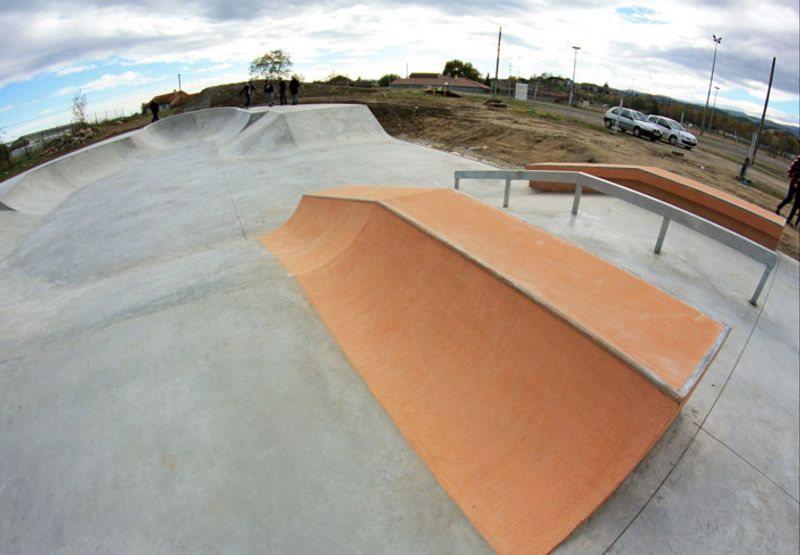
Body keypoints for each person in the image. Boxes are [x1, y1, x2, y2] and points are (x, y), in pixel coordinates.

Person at [776, 154, 800, 226]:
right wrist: (792, 177)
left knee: (797, 202)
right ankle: (778, 207)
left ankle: (789, 219)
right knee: (789, 197)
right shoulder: (799, 159)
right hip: (794, 182)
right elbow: (792, 168)